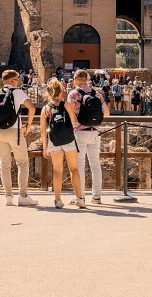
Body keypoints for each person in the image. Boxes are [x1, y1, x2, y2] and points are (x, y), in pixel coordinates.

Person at [0, 70, 38, 207]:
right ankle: (22, 196)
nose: (18, 81)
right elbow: (32, 108)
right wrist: (28, 125)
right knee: (22, 163)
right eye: (17, 79)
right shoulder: (18, 92)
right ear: (13, 81)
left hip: (0, 132)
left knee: (4, 164)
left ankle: (8, 197)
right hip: (15, 131)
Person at [40, 77, 84, 209]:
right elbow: (73, 121)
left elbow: (43, 131)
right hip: (69, 140)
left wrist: (44, 148)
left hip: (54, 142)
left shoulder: (45, 109)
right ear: (60, 92)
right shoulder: (67, 105)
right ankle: (80, 198)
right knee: (74, 169)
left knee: (57, 171)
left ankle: (58, 201)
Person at [66, 69, 109, 205]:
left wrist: (74, 123)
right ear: (87, 80)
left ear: (76, 79)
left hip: (80, 131)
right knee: (95, 164)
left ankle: (80, 196)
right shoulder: (96, 93)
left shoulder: (73, 94)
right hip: (95, 132)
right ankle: (96, 197)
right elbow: (106, 113)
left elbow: (70, 112)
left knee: (79, 165)